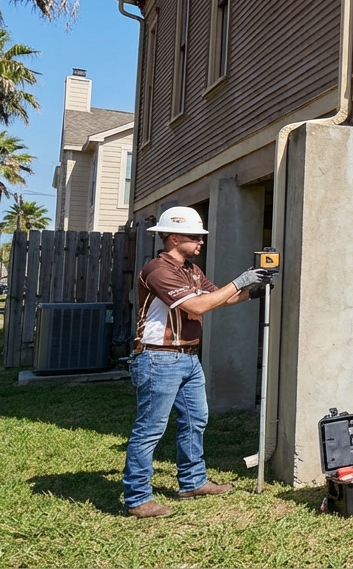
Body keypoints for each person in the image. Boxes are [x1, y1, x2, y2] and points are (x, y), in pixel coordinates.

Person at [123, 206, 274, 518]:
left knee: (195, 421)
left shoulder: (191, 270)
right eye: (195, 237)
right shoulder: (158, 270)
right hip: (158, 357)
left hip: (188, 359)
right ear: (175, 237)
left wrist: (253, 289)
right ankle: (137, 498)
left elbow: (219, 297)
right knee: (149, 430)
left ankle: (192, 482)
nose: (201, 242)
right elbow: (198, 305)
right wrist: (240, 279)